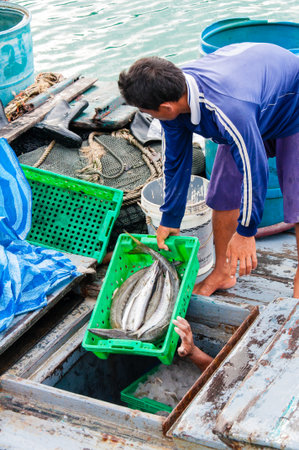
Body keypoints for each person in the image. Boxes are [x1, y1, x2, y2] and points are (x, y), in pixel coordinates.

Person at [118, 43, 299, 298]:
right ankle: (224, 272)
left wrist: (247, 232)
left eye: (146, 112)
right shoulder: (173, 97)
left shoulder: (228, 110)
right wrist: (170, 217)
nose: (147, 115)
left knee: (297, 197)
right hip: (251, 97)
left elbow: (254, 169)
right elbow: (176, 161)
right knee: (223, 192)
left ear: (167, 107)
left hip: (292, 99)